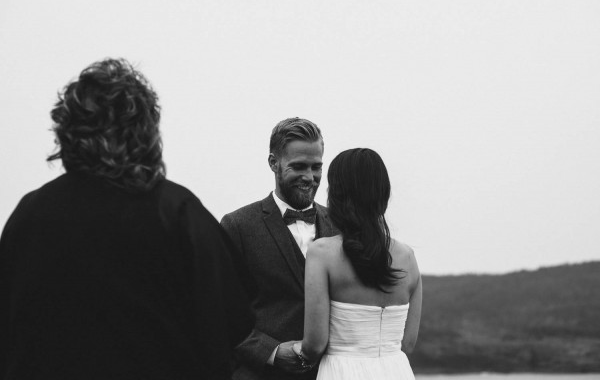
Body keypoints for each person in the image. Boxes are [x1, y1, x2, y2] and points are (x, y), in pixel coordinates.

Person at [0, 58, 254, 380]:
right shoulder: (177, 211)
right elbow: (232, 320)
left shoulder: (29, 214)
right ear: (146, 129)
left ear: (67, 131)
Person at [220, 118, 338, 380]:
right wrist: (270, 352)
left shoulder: (341, 225)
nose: (309, 177)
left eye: (316, 167)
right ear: (273, 163)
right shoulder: (237, 225)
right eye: (298, 167)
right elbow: (218, 311)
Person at [293, 148, 422, 380]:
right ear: (383, 194)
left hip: (341, 372)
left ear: (338, 194)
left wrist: (290, 351)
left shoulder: (322, 253)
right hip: (397, 371)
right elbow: (409, 343)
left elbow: (315, 344)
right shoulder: (408, 257)